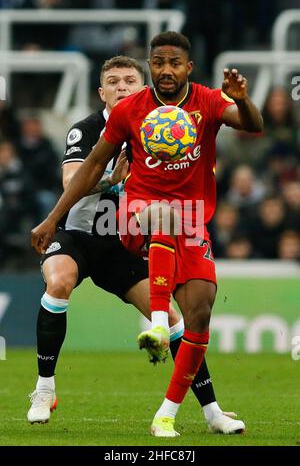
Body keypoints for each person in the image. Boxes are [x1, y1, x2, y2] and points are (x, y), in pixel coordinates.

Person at [31, 32, 263, 437]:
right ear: (102, 91)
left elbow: (252, 124)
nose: (124, 88)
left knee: (194, 317)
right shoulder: (99, 124)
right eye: (158, 63)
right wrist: (54, 217)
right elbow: (80, 172)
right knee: (61, 280)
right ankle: (44, 386)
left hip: (177, 227)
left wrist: (241, 98)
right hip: (95, 232)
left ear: (185, 68)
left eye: (129, 81)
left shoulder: (204, 101)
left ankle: (210, 411)